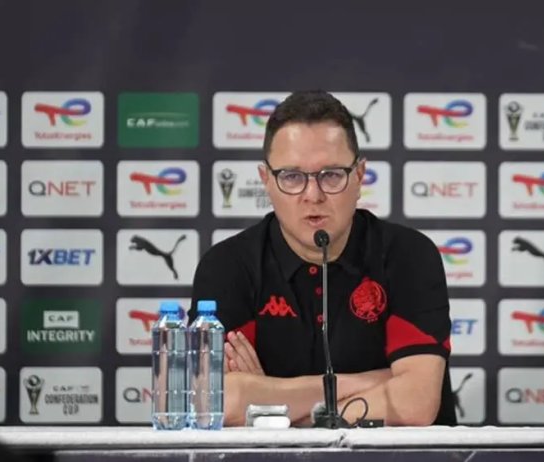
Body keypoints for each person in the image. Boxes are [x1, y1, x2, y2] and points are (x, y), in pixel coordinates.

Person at [189, 90, 456, 427]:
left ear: (359, 176)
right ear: (266, 181)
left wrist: (269, 404)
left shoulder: (408, 254)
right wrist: (375, 381)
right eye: (291, 177)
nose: (312, 195)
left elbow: (413, 404)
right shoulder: (227, 265)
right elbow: (215, 403)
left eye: (331, 175)